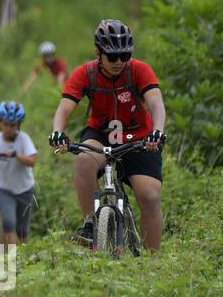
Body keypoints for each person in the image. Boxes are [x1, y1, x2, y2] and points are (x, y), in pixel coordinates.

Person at [48, 19, 167, 251]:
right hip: (101, 134)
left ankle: (153, 264)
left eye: (125, 55)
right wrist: (57, 133)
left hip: (140, 138)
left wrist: (158, 132)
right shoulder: (86, 73)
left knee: (150, 197)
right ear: (98, 53)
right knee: (83, 159)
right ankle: (91, 225)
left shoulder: (139, 70)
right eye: (112, 57)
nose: (119, 62)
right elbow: (64, 108)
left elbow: (157, 104)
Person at [0, 101, 37, 245]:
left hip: (25, 190)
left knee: (22, 230)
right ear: (0, 123)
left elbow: (32, 161)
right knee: (8, 223)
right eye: (6, 124)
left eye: (13, 125)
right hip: (5, 190)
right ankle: (10, 259)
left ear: (18, 126)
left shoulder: (24, 139)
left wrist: (17, 156)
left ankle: (22, 261)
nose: (9, 129)